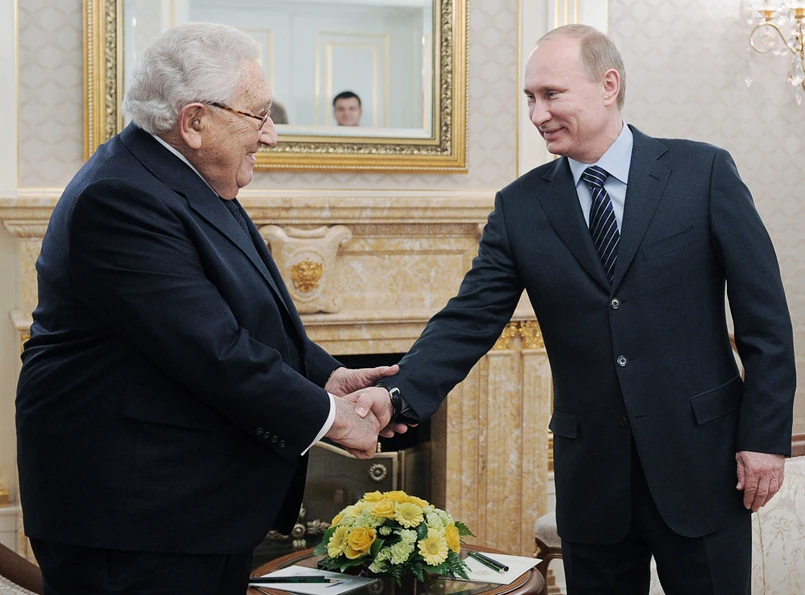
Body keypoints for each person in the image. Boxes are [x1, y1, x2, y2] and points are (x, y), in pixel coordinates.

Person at [354, 24, 796, 594]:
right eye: (529, 98)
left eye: (552, 94)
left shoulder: (703, 172)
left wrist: (764, 439)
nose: (537, 114)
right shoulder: (520, 206)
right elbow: (469, 318)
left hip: (703, 465)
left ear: (608, 85)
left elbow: (765, 321)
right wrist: (397, 393)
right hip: (593, 480)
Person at [15, 23, 403, 595]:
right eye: (258, 115)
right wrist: (334, 418)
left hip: (187, 509)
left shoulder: (182, 177)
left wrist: (326, 375)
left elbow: (244, 317)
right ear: (194, 121)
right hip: (133, 520)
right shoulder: (119, 198)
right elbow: (212, 350)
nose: (271, 135)